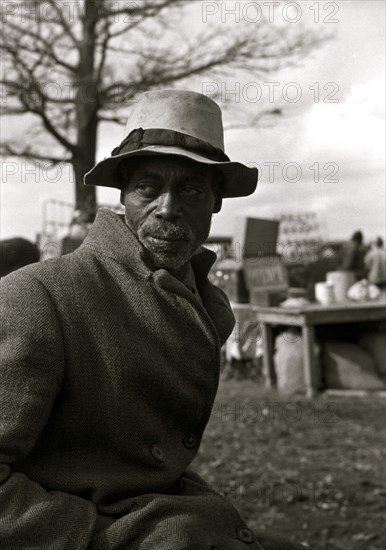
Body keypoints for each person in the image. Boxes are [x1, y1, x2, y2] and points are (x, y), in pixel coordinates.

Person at [0, 90, 310, 549]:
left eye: (190, 187)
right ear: (123, 194)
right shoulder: (39, 297)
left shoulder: (205, 307)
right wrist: (119, 538)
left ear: (216, 201)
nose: (167, 206)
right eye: (148, 187)